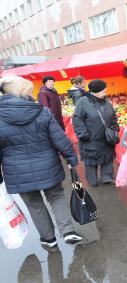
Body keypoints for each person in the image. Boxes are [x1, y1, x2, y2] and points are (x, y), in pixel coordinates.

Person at [0, 76, 82, 250]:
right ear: (22, 92)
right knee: (56, 195)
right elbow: (58, 137)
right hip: (48, 165)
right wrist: (70, 157)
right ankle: (67, 231)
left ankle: (48, 239)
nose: (32, 94)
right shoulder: (42, 112)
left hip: (17, 171)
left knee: (34, 204)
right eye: (29, 91)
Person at [73, 79, 118, 187]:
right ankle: (92, 180)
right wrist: (83, 135)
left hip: (106, 137)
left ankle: (107, 177)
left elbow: (113, 116)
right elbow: (77, 120)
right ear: (95, 91)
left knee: (107, 157)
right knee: (91, 159)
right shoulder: (82, 102)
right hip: (90, 138)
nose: (105, 94)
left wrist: (115, 128)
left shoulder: (106, 102)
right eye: (103, 92)